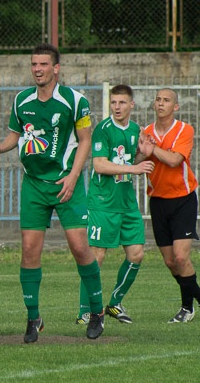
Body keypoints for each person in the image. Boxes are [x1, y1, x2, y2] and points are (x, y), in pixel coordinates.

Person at [0, 43, 105, 342]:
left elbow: (85, 140)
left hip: (65, 182)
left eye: (43, 64)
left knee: (79, 247)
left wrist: (74, 177)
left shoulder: (75, 101)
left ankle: (98, 311)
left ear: (56, 68)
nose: (37, 69)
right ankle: (33, 317)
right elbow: (16, 134)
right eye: (34, 64)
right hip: (33, 184)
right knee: (29, 251)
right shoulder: (22, 100)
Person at [76, 84, 153, 325]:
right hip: (103, 203)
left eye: (122, 103)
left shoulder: (134, 130)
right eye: (113, 102)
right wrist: (135, 167)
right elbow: (100, 165)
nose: (117, 107)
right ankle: (85, 311)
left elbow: (130, 160)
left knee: (137, 254)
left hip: (127, 203)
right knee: (96, 257)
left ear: (131, 105)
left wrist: (143, 154)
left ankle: (115, 302)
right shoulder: (103, 129)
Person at [137, 88, 200, 322]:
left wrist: (152, 149)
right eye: (158, 99)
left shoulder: (185, 129)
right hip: (158, 201)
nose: (161, 103)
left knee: (182, 257)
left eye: (167, 100)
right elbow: (135, 161)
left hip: (183, 199)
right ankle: (192, 305)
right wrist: (143, 153)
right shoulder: (146, 133)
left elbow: (174, 160)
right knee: (171, 262)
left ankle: (187, 307)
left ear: (176, 107)